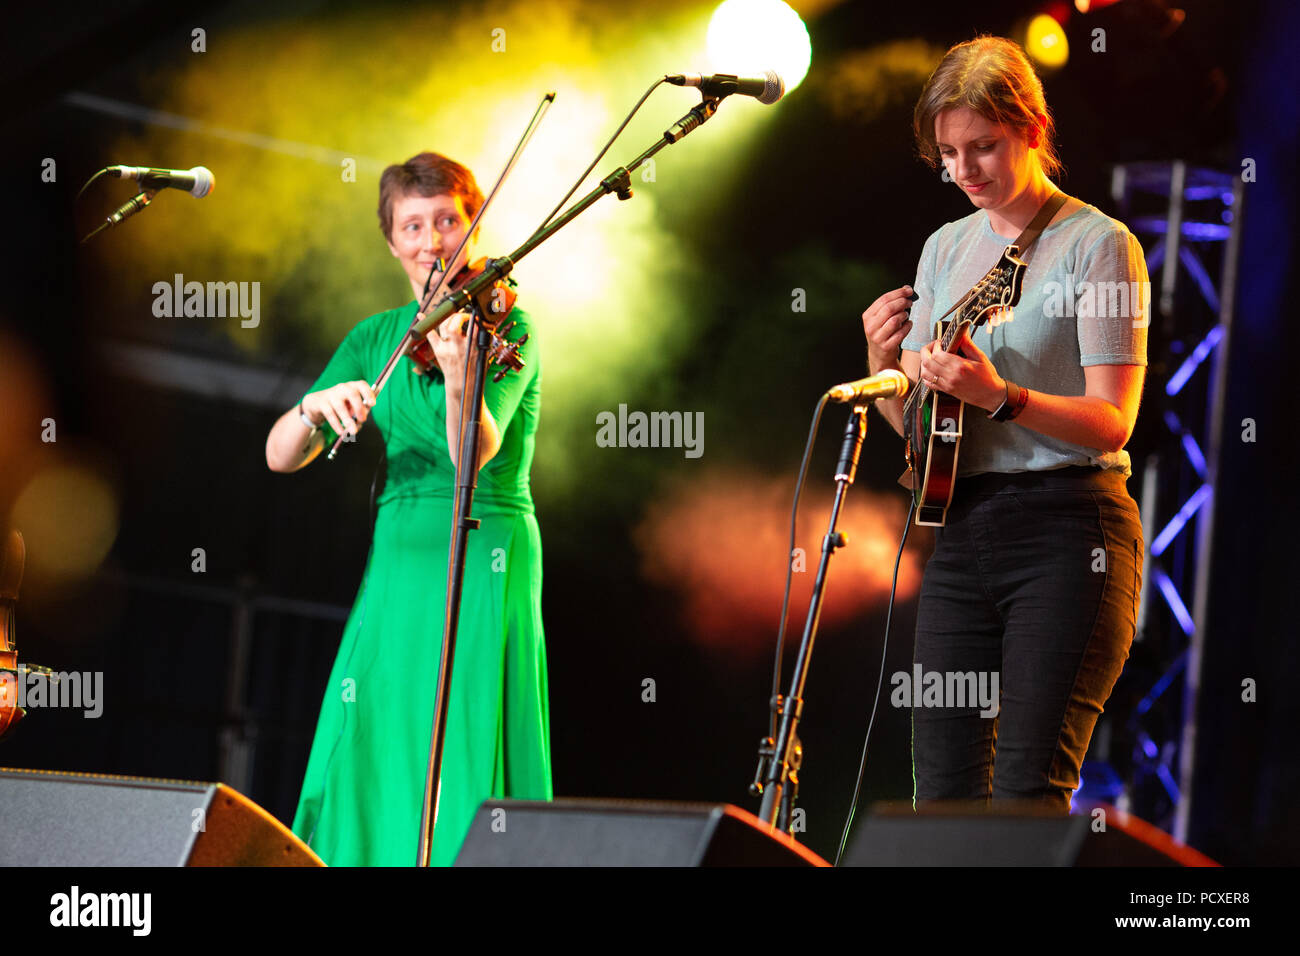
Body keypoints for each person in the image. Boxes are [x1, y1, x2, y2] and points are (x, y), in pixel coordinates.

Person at [862, 36, 1147, 812]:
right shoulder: (943, 248)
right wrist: (885, 362)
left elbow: (1113, 420)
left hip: (1070, 533)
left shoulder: (1100, 245)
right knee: (941, 802)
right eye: (949, 153)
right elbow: (921, 434)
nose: (964, 171)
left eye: (983, 147)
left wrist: (1003, 397)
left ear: (1032, 126)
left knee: (1026, 796)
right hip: (960, 533)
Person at [264, 151, 551, 865]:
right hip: (399, 551)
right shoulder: (373, 337)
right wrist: (311, 407)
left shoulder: (507, 325)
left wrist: (461, 374)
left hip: (484, 545)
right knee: (375, 723)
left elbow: (472, 455)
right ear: (392, 241)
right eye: (414, 225)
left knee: (466, 730)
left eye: (448, 221)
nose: (432, 241)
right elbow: (278, 454)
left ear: (473, 229)